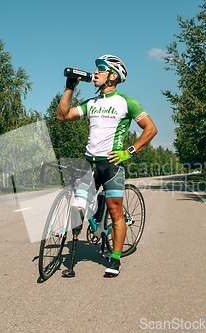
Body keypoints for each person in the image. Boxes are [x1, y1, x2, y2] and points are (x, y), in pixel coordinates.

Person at [57, 54, 157, 277]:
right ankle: (71, 262)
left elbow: (150, 129)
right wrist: (69, 87)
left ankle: (116, 260)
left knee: (115, 213)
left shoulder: (126, 102)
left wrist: (128, 151)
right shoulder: (91, 103)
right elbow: (63, 116)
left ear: (112, 76)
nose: (96, 74)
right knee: (78, 207)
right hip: (89, 163)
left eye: (101, 70)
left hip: (111, 165)